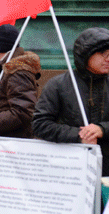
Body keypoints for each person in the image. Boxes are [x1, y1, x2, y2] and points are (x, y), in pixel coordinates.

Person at [33, 27, 109, 178]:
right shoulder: (58, 85)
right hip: (70, 171)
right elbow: (40, 124)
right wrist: (79, 135)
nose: (108, 59)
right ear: (86, 55)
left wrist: (103, 129)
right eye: (102, 54)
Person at [0, 24, 41, 138]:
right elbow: (1, 103)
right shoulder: (8, 69)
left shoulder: (17, 72)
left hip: (9, 147)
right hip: (2, 143)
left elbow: (23, 112)